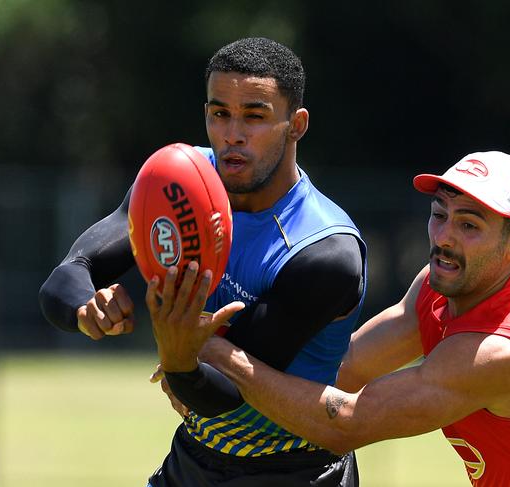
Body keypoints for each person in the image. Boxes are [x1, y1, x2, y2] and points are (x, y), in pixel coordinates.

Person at [155, 151, 510, 485]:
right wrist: (200, 376)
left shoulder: (504, 351)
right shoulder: (436, 288)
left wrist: (213, 350)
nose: (444, 236)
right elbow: (341, 370)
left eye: (469, 224)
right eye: (440, 213)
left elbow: (345, 422)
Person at [39, 37, 367, 486]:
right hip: (194, 458)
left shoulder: (324, 251)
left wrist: (180, 362)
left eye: (254, 116)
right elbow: (66, 278)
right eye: (220, 114)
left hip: (297, 469)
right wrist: (86, 311)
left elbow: (226, 392)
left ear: (297, 124)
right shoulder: (177, 181)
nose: (232, 134)